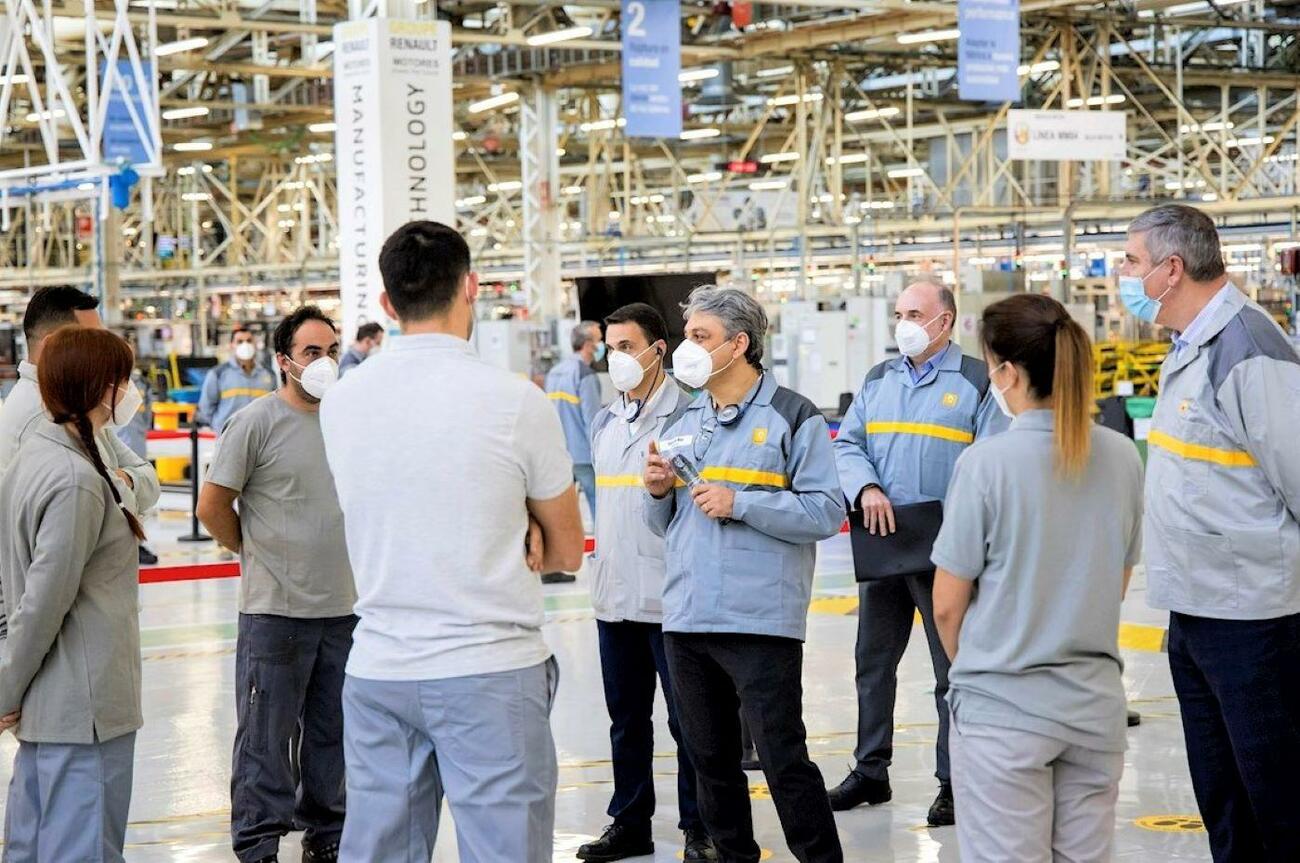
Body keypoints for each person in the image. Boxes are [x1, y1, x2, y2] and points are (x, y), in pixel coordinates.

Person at [319, 220, 584, 863]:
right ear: (472, 287)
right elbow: (568, 550)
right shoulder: (517, 401)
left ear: (386, 303)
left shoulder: (342, 401)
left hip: (378, 667)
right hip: (487, 666)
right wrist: (518, 521)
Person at [930, 293, 1144, 862]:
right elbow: (1115, 584)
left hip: (1003, 713)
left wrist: (983, 666)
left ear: (1008, 372)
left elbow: (948, 606)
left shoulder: (985, 464)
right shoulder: (1122, 457)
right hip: (1094, 711)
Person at [1119, 204, 1300, 863]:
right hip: (1194, 611)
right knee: (1224, 800)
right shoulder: (1189, 347)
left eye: (1133, 261)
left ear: (1171, 270)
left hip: (1252, 620)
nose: (1125, 273)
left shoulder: (1248, 349)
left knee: (1278, 800)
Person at [644, 287, 845, 863]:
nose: (688, 349)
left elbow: (826, 512)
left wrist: (744, 503)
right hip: (686, 616)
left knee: (783, 759)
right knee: (708, 760)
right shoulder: (684, 419)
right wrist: (658, 492)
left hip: (760, 620)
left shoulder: (794, 417)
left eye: (700, 338)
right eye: (688, 337)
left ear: (739, 344)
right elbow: (667, 524)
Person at [827, 279, 1005, 824]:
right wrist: (866, 489)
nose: (902, 322)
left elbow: (993, 463)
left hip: (947, 547)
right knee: (872, 662)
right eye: (899, 312)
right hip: (882, 541)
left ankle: (955, 779)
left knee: (951, 669)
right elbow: (850, 443)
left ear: (945, 322)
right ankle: (869, 770)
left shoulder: (978, 381)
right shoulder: (878, 379)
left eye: (913, 312)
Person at [197, 306, 357, 863]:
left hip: (343, 609)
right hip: (275, 612)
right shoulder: (255, 422)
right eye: (313, 352)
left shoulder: (348, 421)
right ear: (284, 361)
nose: (326, 362)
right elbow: (212, 505)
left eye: (333, 350)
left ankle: (328, 832)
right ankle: (259, 839)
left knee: (331, 733)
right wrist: (254, 549)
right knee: (266, 735)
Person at [0, 327, 148, 863]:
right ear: (100, 386)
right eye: (123, 379)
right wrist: (5, 690)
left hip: (55, 705)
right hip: (86, 709)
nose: (129, 390)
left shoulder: (37, 456)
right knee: (82, 850)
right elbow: (44, 602)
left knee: (33, 846)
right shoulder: (76, 480)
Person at [577, 303, 713, 863]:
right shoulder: (606, 420)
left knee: (690, 724)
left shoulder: (689, 417)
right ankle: (630, 823)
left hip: (671, 596)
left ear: (658, 350)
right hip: (614, 599)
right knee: (626, 719)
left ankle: (698, 827)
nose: (618, 359)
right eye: (611, 348)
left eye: (628, 347)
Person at [0, 286, 160, 566]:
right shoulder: (42, 417)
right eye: (90, 340)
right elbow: (99, 509)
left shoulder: (74, 405)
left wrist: (123, 480)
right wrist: (121, 484)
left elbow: (147, 479)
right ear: (53, 347)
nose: (99, 352)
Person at [545, 319, 605, 517]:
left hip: (560, 453)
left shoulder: (554, 372)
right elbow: (593, 421)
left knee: (563, 512)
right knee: (598, 506)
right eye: (600, 340)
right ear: (589, 345)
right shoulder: (585, 374)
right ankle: (601, 548)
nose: (603, 345)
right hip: (584, 455)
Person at [198, 327, 277, 433]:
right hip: (227, 436)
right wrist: (219, 428)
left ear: (255, 344)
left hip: (261, 436)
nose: (245, 345)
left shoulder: (268, 374)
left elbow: (274, 405)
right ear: (232, 345)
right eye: (239, 342)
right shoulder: (218, 374)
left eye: (249, 341)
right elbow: (206, 408)